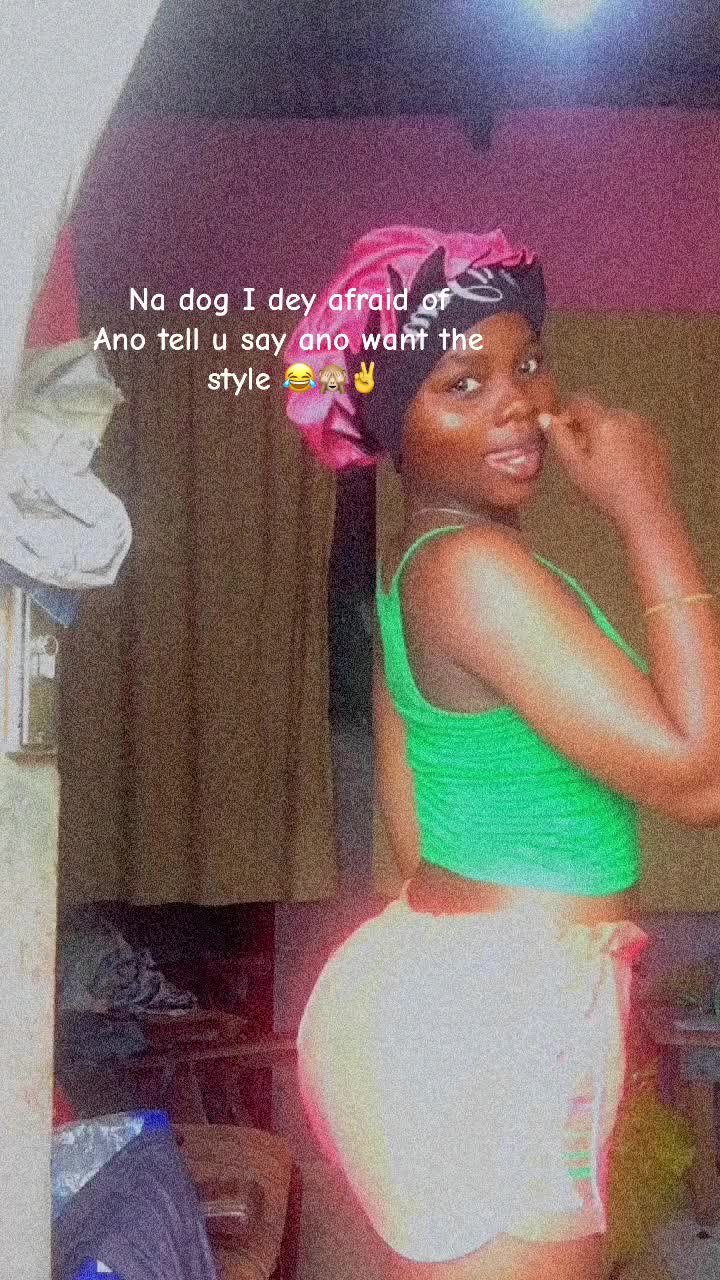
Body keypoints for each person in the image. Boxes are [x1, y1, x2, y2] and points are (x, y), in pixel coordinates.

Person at [284, 226, 720, 1280]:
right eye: (463, 383)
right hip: (495, 1013)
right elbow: (702, 776)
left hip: (462, 987)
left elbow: (415, 830)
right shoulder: (472, 569)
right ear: (396, 424)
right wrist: (647, 507)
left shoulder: (423, 567)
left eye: (527, 364)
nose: (518, 402)